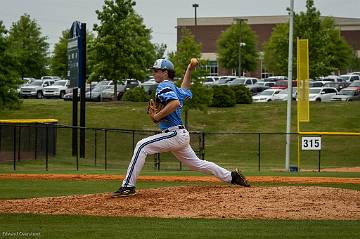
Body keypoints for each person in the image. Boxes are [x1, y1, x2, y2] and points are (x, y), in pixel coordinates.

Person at [112, 58, 249, 197]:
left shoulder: (163, 86)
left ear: (165, 72)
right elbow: (186, 90)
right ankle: (232, 176)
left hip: (174, 134)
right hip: (179, 135)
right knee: (197, 164)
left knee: (141, 146)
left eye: (156, 71)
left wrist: (157, 116)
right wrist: (189, 69)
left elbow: (175, 103)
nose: (153, 73)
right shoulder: (174, 88)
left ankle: (128, 186)